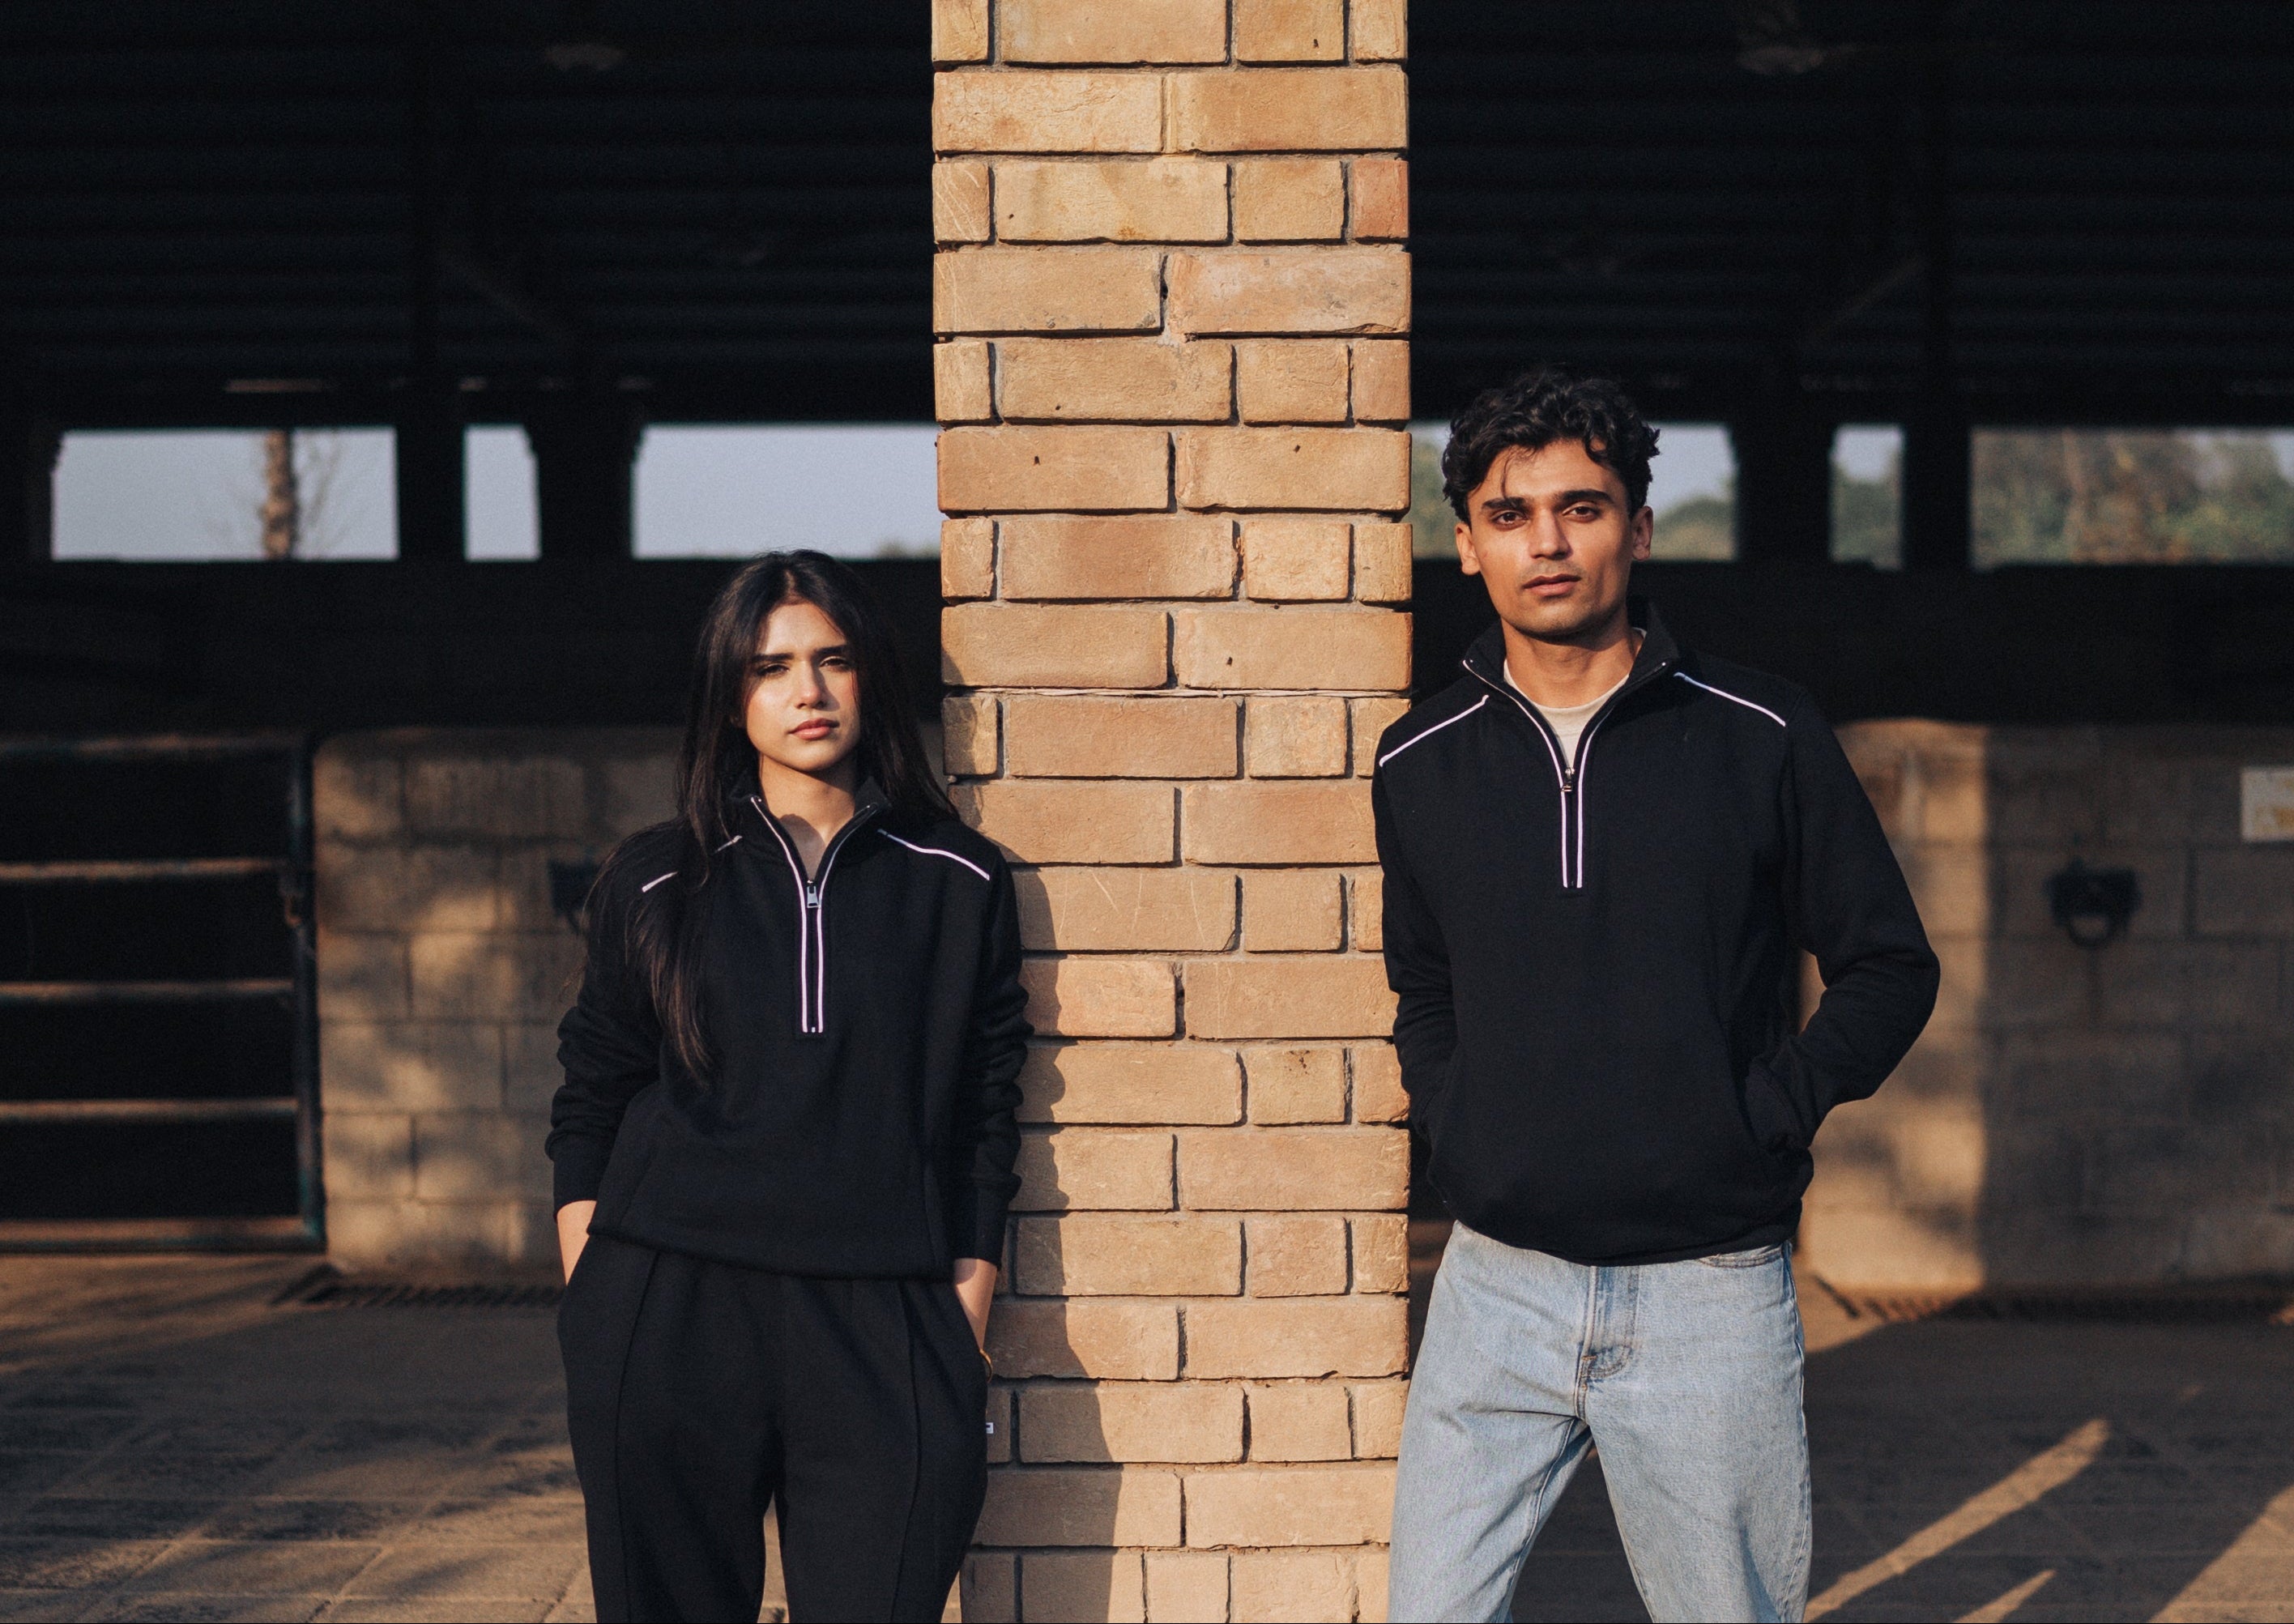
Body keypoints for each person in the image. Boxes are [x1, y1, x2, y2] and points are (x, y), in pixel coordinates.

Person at [1375, 369, 1938, 1622]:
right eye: (1511, 513)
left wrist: (1768, 1110)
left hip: (1708, 1290)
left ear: (1638, 524)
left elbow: (1891, 965)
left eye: (1582, 506)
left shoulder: (1759, 732)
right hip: (1497, 1285)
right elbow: (1423, 981)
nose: (1549, 541)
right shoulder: (1417, 759)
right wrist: (1459, 1121)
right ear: (1465, 543)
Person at [548, 551, 1028, 1623]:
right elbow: (594, 1087)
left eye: (833, 659)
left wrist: (962, 1309)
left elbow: (983, 1112)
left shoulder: (961, 880)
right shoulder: (656, 874)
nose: (807, 691)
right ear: (731, 695)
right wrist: (593, 1294)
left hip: (879, 1318)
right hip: (669, 1308)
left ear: (872, 677)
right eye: (771, 667)